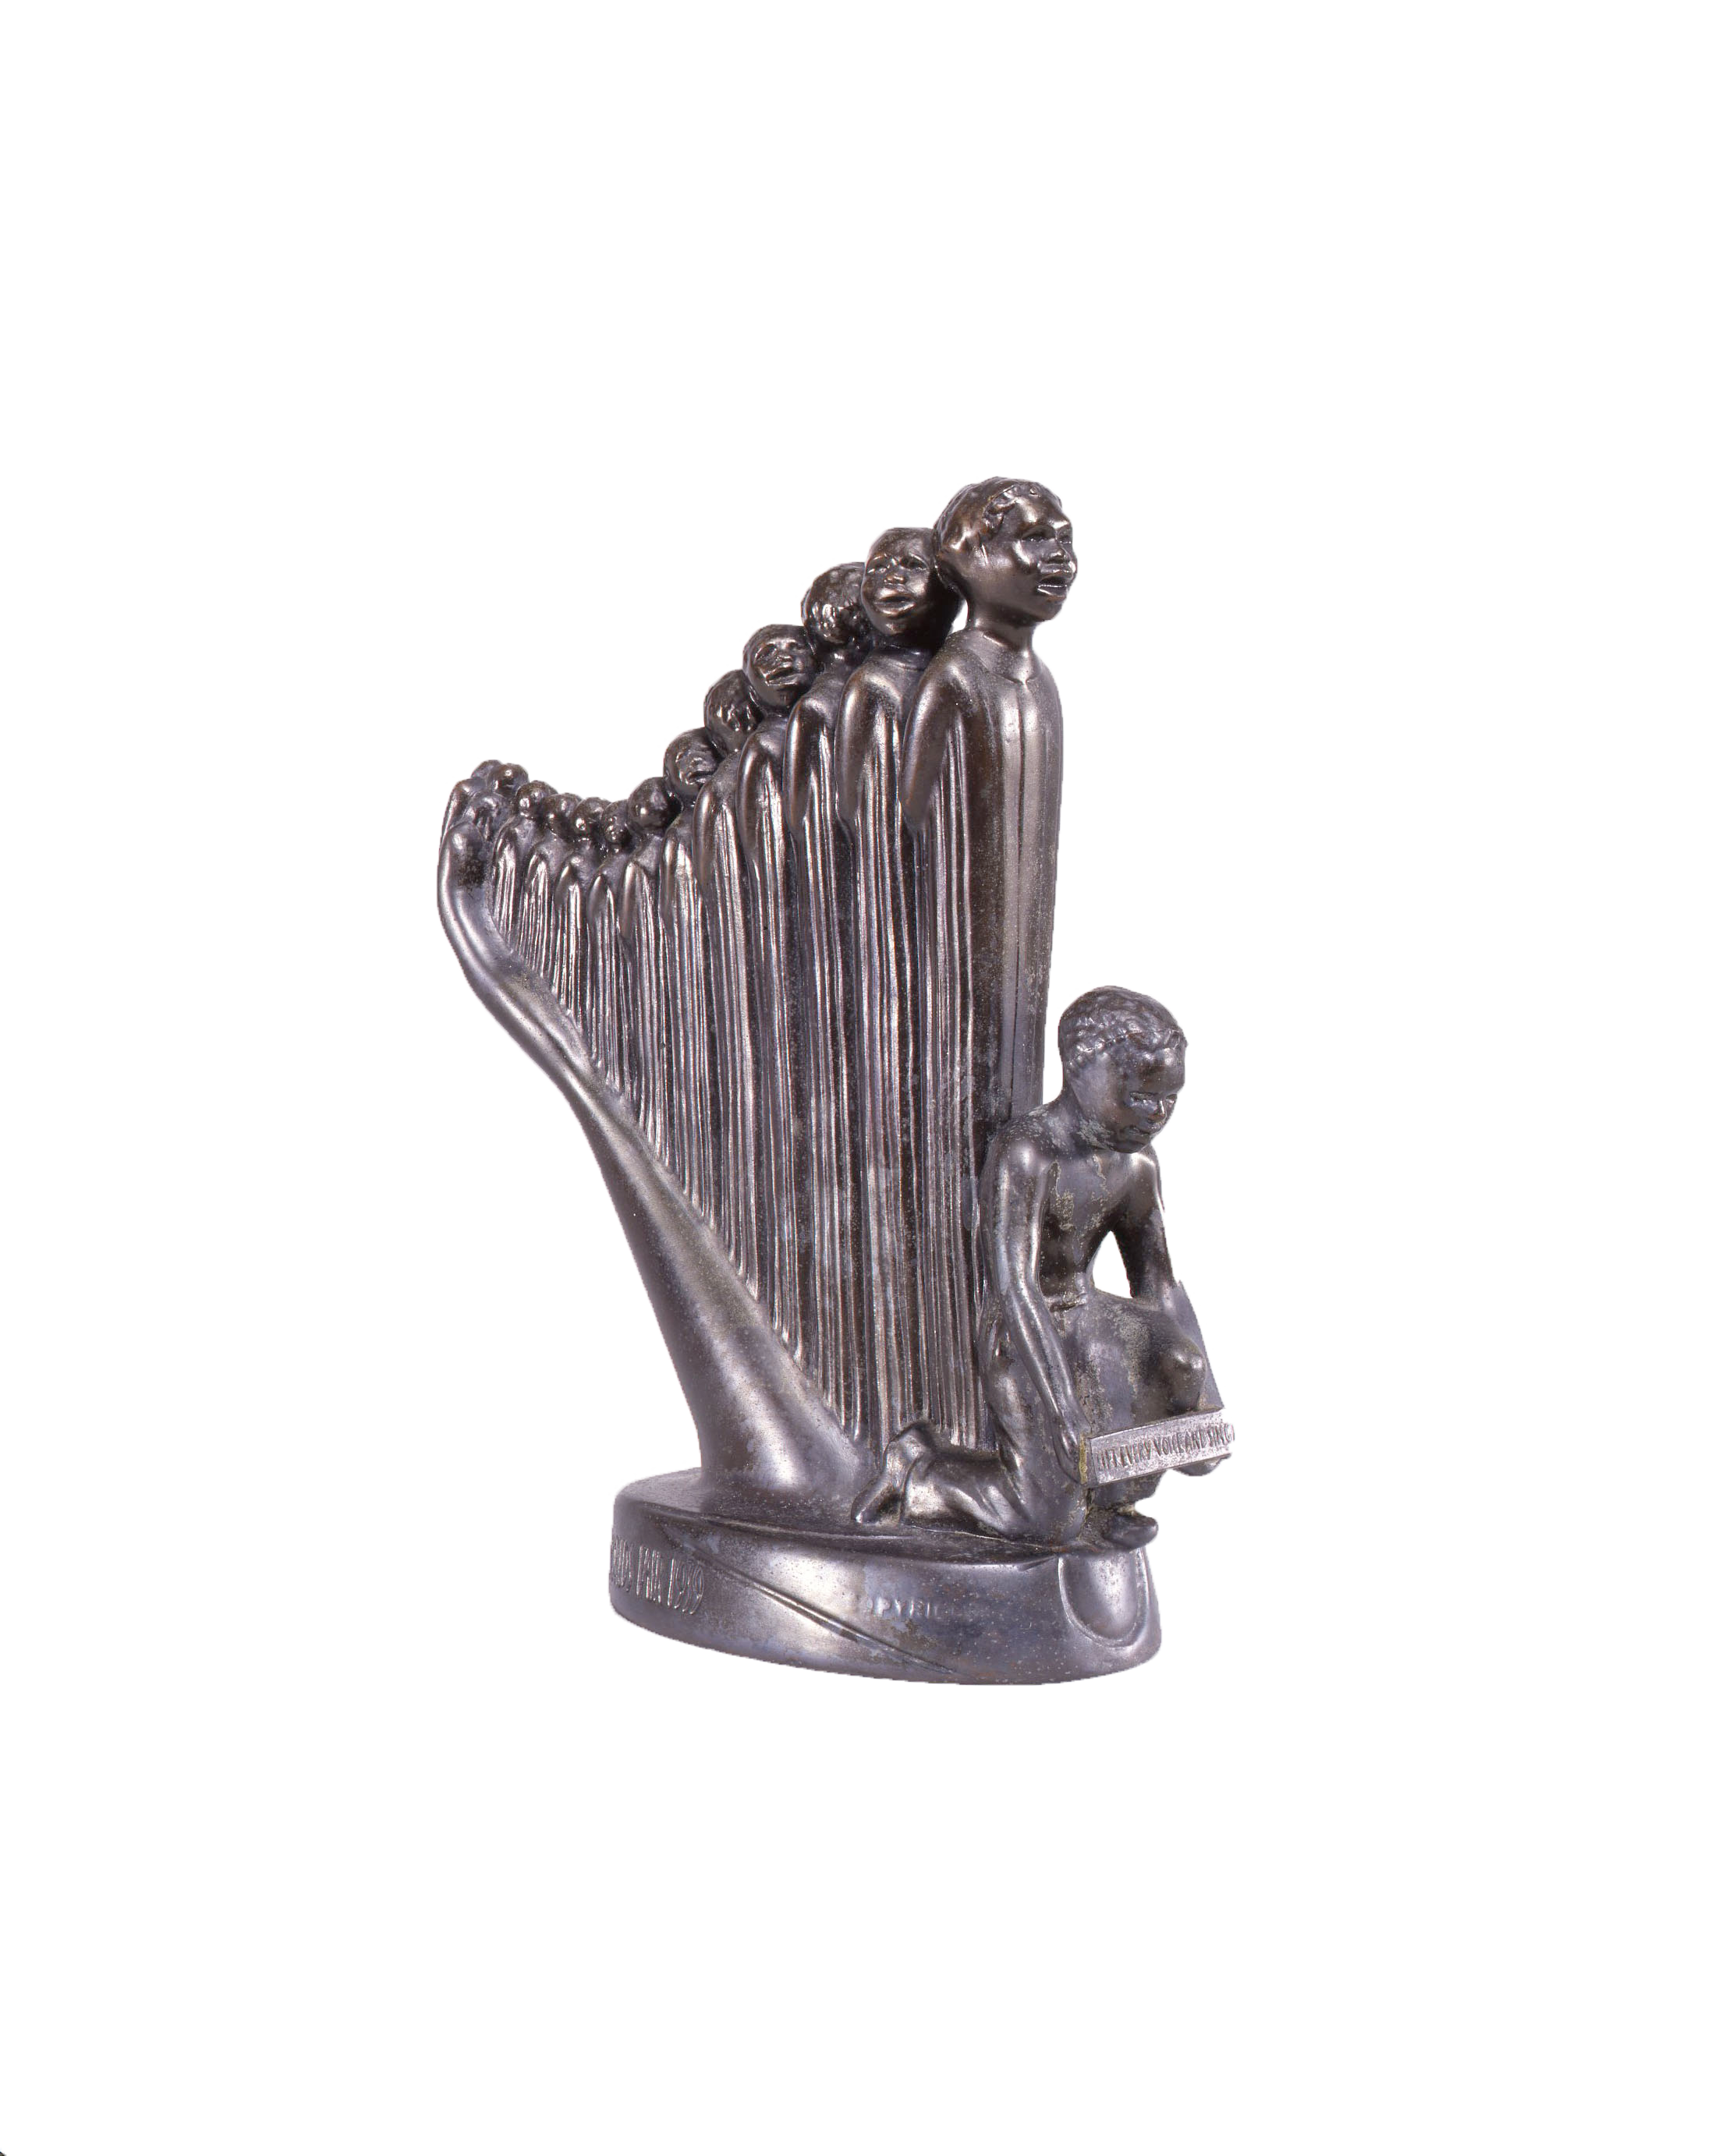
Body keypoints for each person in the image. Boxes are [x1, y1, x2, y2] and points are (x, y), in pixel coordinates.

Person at [853, 987, 1215, 1547]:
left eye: (1169, 1100)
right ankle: (920, 1474)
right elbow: (1016, 1287)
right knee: (1044, 1523)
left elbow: (1159, 1283)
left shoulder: (1137, 1164)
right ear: (1081, 1069)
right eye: (1141, 1097)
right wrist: (1063, 1410)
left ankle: (1109, 1500)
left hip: (1087, 1313)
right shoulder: (1031, 1152)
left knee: (1179, 1365)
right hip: (1024, 1328)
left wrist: (1206, 1399)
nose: (1157, 1115)